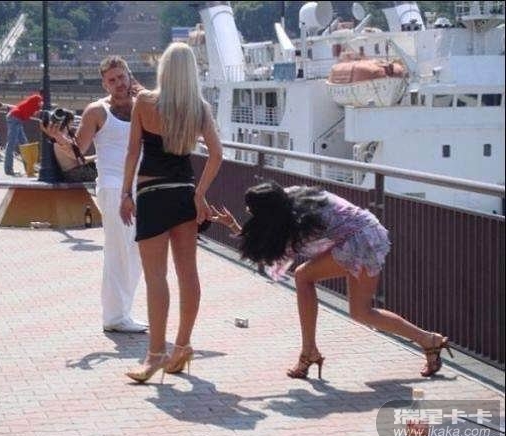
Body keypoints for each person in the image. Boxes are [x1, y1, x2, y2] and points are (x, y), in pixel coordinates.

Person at [210, 181, 454, 379]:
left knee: (305, 278)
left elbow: (271, 249)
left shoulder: (301, 222)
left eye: (251, 209)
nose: (248, 211)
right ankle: (429, 340)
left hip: (362, 240)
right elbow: (270, 241)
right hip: (364, 232)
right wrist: (233, 224)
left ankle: (309, 352)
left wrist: (236, 227)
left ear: (268, 211)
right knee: (361, 312)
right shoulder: (289, 197)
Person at [119, 42, 223, 383]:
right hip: (183, 195)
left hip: (152, 195)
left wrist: (125, 194)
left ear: (163, 68)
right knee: (188, 274)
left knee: (156, 278)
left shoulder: (144, 102)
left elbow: (132, 152)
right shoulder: (199, 108)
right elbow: (217, 155)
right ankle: (182, 345)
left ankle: (154, 355)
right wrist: (200, 194)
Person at [40, 56, 148, 334]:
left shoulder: (143, 104)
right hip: (113, 187)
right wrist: (59, 139)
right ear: (104, 84)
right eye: (112, 80)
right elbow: (79, 152)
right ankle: (115, 316)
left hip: (142, 186)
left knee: (137, 250)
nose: (119, 83)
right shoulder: (97, 111)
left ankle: (121, 312)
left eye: (122, 77)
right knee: (118, 250)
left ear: (129, 75)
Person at [4, 93, 43, 176]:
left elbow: (34, 112)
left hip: (17, 119)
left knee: (24, 144)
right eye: (40, 102)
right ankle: (8, 169)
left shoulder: (33, 105)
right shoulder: (34, 102)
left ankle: (29, 168)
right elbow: (34, 111)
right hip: (15, 118)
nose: (41, 103)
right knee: (11, 144)